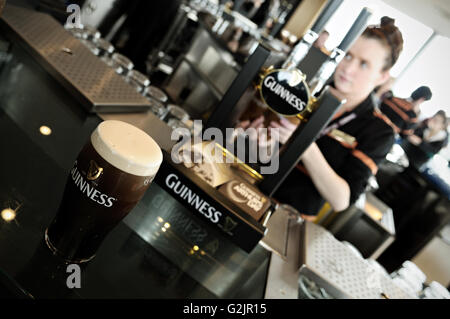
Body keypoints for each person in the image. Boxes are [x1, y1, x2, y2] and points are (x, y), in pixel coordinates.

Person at [263, 16, 404, 221]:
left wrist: (304, 142)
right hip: (251, 187)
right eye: (348, 56)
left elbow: (341, 200)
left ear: (382, 76)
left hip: (288, 217)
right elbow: (269, 152)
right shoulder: (310, 91)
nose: (348, 68)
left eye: (364, 64)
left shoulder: (379, 131)